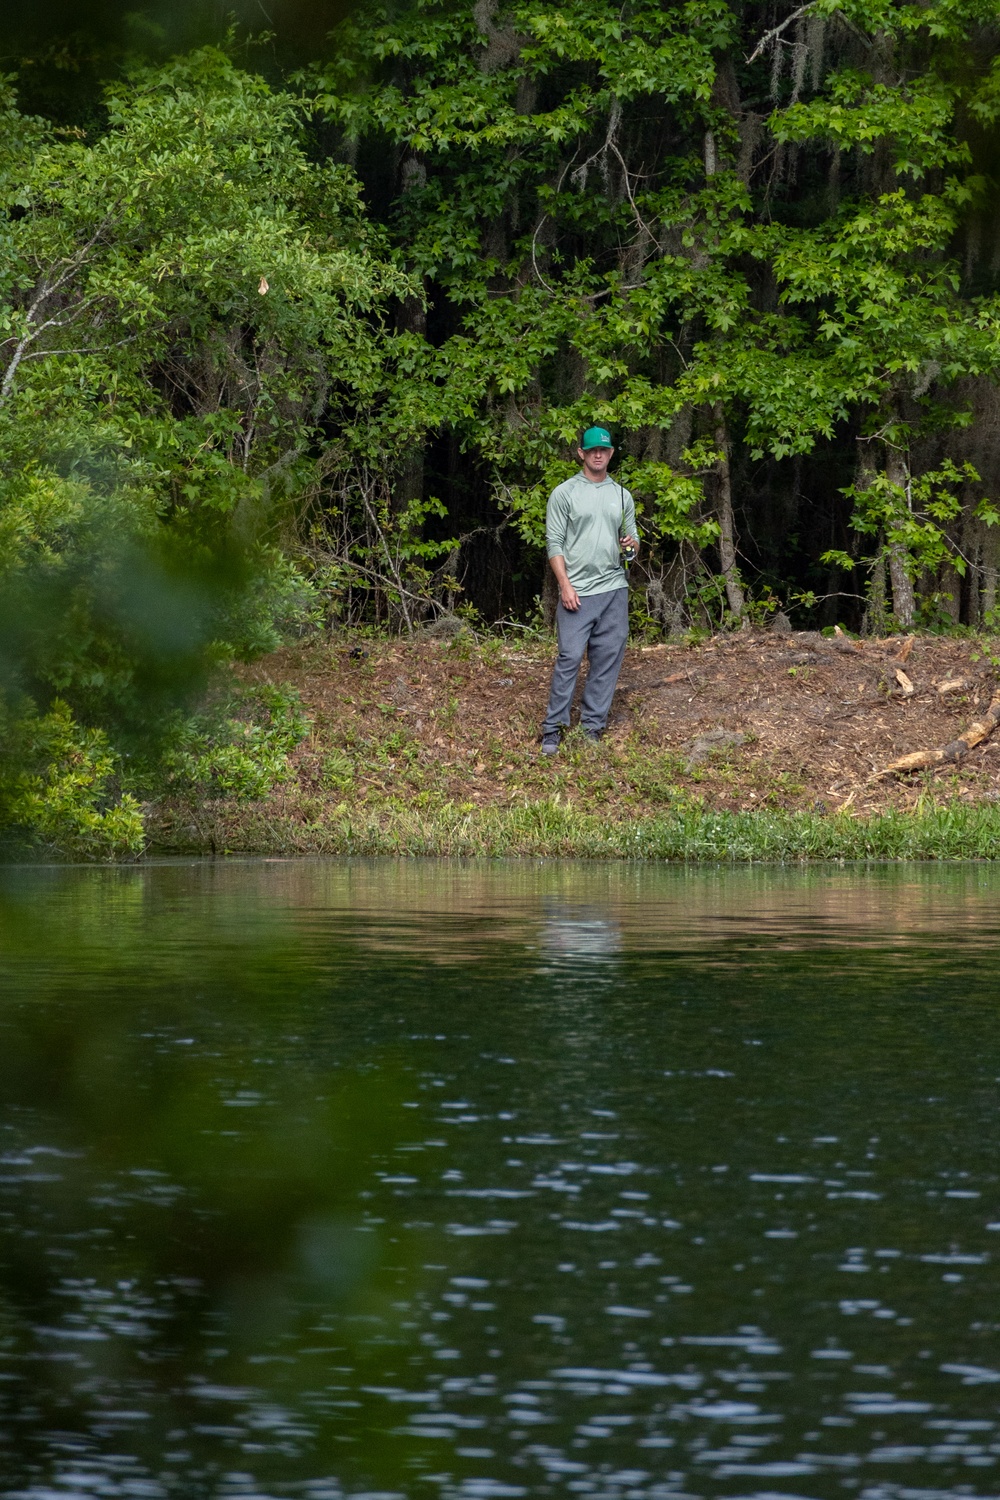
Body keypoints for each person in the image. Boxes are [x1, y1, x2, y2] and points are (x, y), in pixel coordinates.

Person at [540, 426, 639, 755]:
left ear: (611, 454)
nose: (599, 454)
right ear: (581, 453)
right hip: (577, 592)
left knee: (606, 660)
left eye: (605, 450)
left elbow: (633, 543)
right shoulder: (564, 493)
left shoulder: (622, 495)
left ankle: (592, 728)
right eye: (592, 449)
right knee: (569, 658)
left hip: (613, 589)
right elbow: (554, 544)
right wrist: (564, 585)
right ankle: (553, 729)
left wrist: (631, 547)